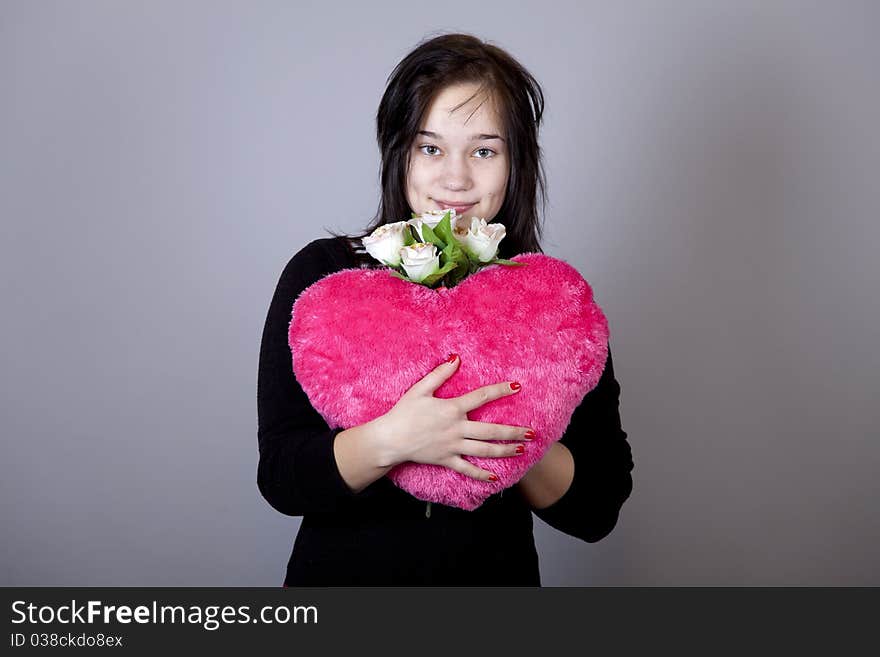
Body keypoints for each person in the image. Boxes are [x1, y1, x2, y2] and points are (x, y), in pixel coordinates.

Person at [257, 33, 634, 586]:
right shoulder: (323, 276)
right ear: (398, 152)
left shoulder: (551, 304)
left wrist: (516, 431)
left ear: (515, 162)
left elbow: (598, 509)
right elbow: (283, 478)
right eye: (430, 148)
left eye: (484, 150)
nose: (456, 179)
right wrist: (397, 438)